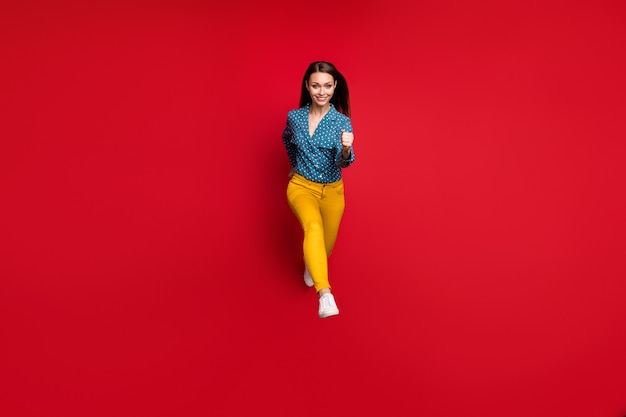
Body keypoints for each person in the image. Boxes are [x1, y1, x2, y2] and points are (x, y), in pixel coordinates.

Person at [281, 61, 355, 318]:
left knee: (325, 247)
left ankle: (311, 265)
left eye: (327, 86)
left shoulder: (341, 122)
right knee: (312, 226)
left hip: (332, 191)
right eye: (315, 85)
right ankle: (325, 295)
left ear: (334, 87)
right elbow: (286, 138)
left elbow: (345, 162)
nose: (321, 91)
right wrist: (294, 164)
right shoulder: (295, 117)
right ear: (307, 86)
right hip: (301, 186)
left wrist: (346, 148)